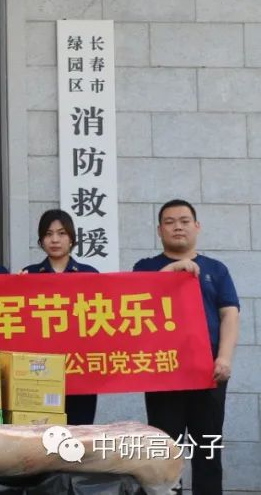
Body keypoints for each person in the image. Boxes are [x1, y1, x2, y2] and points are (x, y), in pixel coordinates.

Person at [133, 199, 238, 494]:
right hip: (162, 372)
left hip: (209, 372)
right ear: (159, 230)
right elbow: (136, 299)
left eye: (184, 221)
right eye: (169, 222)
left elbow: (230, 314)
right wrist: (173, 270)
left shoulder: (216, 270)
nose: (177, 227)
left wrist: (224, 358)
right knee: (165, 453)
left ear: (197, 226)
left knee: (208, 451)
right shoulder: (145, 267)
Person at [19, 209, 99, 426]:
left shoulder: (89, 275)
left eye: (61, 233)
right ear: (41, 240)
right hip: (39, 370)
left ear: (72, 238)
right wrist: (16, 287)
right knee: (40, 435)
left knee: (78, 433)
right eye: (48, 234)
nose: (55, 239)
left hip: (80, 370)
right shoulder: (28, 275)